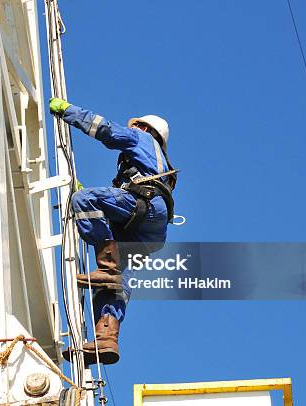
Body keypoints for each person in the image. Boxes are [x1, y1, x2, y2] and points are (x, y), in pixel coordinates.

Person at [49, 97, 177, 365]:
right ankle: (106, 339)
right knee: (115, 281)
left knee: (84, 202)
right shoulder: (158, 161)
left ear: (144, 128)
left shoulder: (141, 139)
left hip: (144, 205)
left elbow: (106, 129)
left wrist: (68, 111)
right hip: (149, 228)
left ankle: (106, 266)